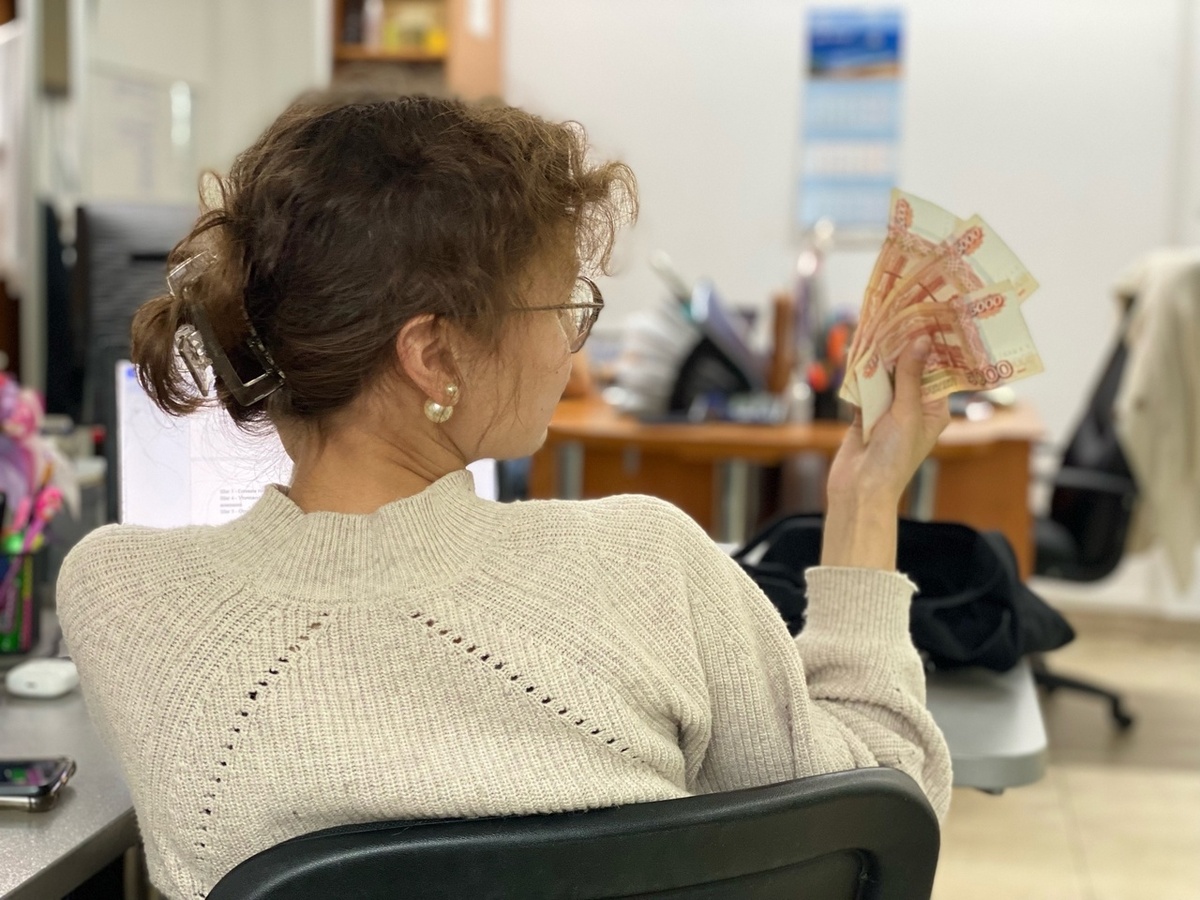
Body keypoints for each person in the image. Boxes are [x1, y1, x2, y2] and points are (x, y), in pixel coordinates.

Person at [57, 95, 952, 900]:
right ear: (434, 355)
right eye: (560, 307)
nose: (571, 346)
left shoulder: (120, 596)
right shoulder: (648, 567)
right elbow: (881, 809)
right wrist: (868, 497)